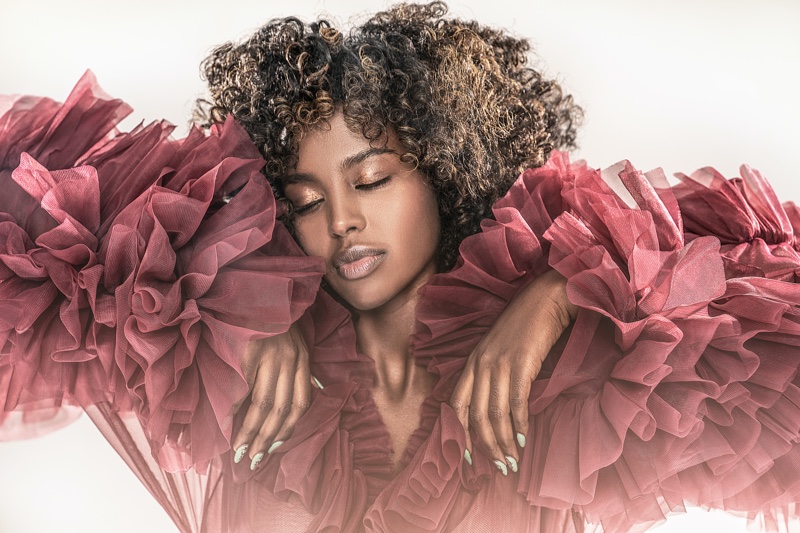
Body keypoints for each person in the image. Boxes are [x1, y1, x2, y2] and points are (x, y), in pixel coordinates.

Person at [1, 2, 800, 532]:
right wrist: (240, 288)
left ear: (447, 170)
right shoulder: (218, 359)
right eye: (306, 200)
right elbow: (23, 201)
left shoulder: (567, 379)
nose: (341, 219)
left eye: (373, 180)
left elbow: (776, 290)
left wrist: (556, 295)